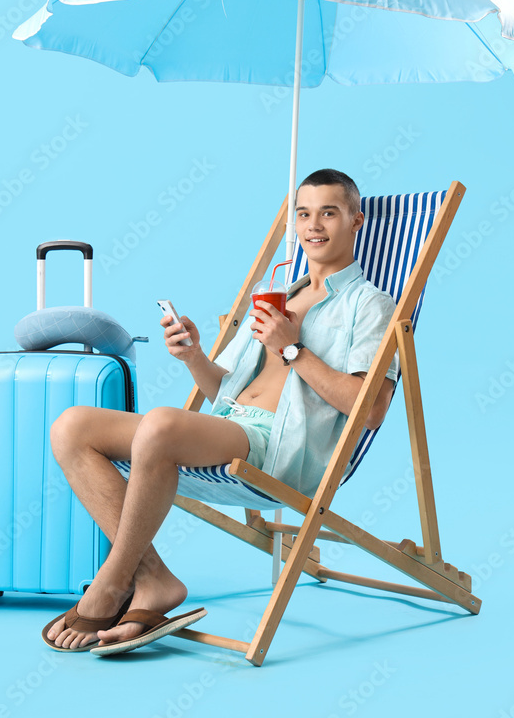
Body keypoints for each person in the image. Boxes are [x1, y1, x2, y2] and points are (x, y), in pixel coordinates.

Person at [41, 169, 398, 654]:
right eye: (304, 214)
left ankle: (112, 581)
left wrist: (293, 350)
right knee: (71, 426)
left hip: (280, 451)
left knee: (163, 424)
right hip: (230, 428)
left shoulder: (370, 305)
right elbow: (223, 391)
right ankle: (152, 580)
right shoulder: (279, 294)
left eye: (329, 213)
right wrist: (193, 356)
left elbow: (370, 410)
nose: (314, 225)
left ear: (356, 220)